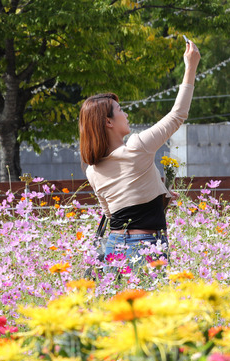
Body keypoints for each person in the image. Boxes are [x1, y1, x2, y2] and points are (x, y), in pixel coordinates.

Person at [79, 40, 200, 270]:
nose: (125, 114)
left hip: (114, 247)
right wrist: (191, 66)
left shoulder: (92, 171)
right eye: (120, 110)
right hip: (146, 245)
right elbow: (177, 115)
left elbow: (115, 213)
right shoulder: (137, 146)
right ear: (108, 122)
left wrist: (158, 199)